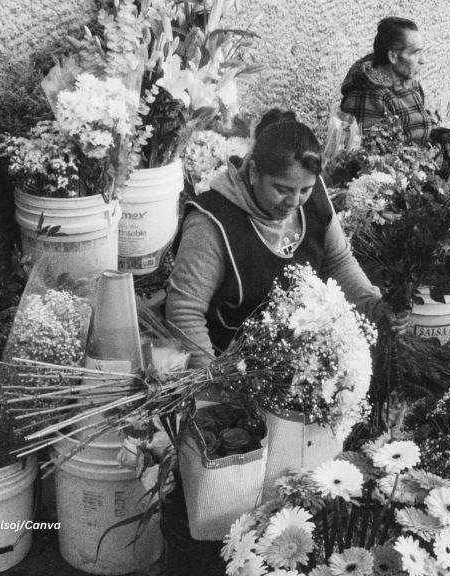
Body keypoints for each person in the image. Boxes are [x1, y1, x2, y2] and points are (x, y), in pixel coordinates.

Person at [161, 109, 408, 575]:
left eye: (305, 190)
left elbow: (339, 261)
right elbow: (184, 310)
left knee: (302, 494)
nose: (293, 202)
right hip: (236, 379)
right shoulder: (214, 223)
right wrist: (217, 386)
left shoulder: (312, 205)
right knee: (240, 508)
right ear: (253, 171)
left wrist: (373, 305)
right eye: (281, 189)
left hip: (304, 378)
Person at [340, 16, 450, 161]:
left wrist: (446, 136)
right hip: (408, 176)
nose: (423, 60)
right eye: (416, 52)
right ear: (393, 55)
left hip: (430, 163)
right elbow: (372, 161)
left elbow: (424, 122)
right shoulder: (369, 95)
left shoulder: (409, 82)